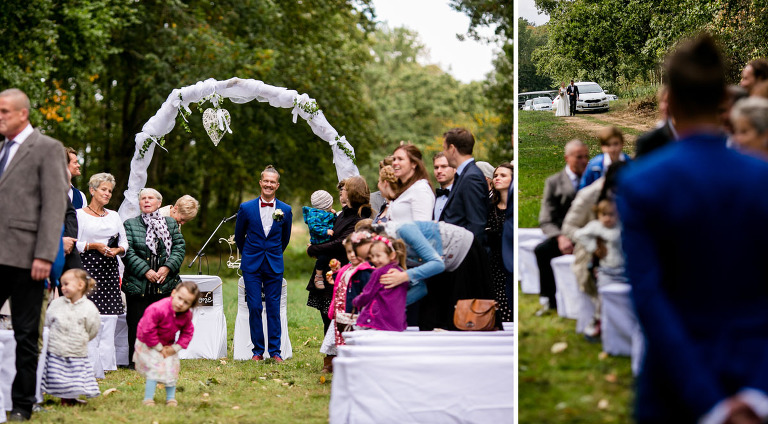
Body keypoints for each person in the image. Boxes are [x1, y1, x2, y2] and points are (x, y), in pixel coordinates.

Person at [618, 33, 768, 424]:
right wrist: (756, 393)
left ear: (671, 100)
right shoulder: (761, 178)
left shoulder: (641, 182)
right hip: (757, 372)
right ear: (724, 99)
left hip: (675, 387)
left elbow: (648, 297)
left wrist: (708, 402)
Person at [0, 88, 68, 421]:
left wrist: (44, 255)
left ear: (23, 113)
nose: (0, 116)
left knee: (26, 332)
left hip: (28, 258)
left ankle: (23, 405)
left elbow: (56, 203)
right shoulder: (1, 150)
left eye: (4, 111)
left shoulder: (47, 148)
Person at [366, 220, 492, 331]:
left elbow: (438, 264)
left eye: (374, 256)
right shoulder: (389, 256)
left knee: (465, 318)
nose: (374, 261)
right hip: (439, 264)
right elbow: (421, 288)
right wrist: (388, 305)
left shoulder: (405, 230)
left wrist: (404, 276)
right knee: (429, 321)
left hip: (463, 253)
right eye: (368, 258)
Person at [122, 188, 186, 367]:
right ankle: (137, 362)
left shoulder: (171, 224)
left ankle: (163, 361)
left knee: (164, 325)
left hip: (165, 284)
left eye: (151, 198)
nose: (146, 201)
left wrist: (166, 268)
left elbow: (179, 248)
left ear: (159, 203)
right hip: (138, 284)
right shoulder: (130, 224)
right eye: (143, 198)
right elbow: (128, 252)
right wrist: (145, 271)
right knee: (137, 325)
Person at [235, 165, 292, 362]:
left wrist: (273, 254)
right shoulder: (246, 208)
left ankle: (275, 351)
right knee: (254, 306)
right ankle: (258, 351)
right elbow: (239, 236)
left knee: (274, 308)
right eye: (265, 181)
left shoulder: (285, 210)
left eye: (272, 182)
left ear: (277, 185)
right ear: (260, 183)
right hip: (251, 264)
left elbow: (285, 238)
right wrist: (250, 253)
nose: (268, 184)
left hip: (274, 264)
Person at [306, 176, 371, 347]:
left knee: (338, 315)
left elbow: (339, 243)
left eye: (344, 189)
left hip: (341, 272)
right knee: (326, 315)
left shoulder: (359, 217)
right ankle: (330, 355)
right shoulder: (342, 214)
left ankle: (338, 354)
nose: (341, 191)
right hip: (328, 269)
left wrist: (312, 249)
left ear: (352, 193)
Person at [534, 139, 589, 316]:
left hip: (589, 234)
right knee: (542, 251)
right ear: (567, 158)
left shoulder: (593, 179)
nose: (583, 161)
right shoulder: (554, 182)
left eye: (586, 157)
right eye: (579, 157)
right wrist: (560, 238)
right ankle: (550, 300)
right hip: (563, 234)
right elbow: (546, 218)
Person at [41, 269, 101, 405]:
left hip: (76, 350)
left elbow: (93, 328)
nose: (63, 288)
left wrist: (82, 338)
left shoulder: (89, 308)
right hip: (57, 349)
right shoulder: (56, 304)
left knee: (74, 377)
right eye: (62, 285)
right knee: (58, 375)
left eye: (66, 284)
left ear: (80, 285)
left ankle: (70, 399)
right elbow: (47, 321)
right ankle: (61, 397)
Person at [134, 281, 199, 407]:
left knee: (171, 368)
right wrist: (159, 348)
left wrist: (175, 348)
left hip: (167, 345)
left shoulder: (186, 315)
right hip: (147, 342)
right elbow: (148, 330)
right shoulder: (157, 309)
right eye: (180, 298)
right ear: (173, 293)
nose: (181, 304)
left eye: (186, 303)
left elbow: (187, 332)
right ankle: (148, 399)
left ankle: (171, 398)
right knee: (154, 368)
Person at [573, 198, 625, 338]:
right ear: (598, 215)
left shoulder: (620, 226)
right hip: (606, 269)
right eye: (604, 215)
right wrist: (593, 247)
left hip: (623, 268)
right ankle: (598, 322)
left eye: (611, 215)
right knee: (602, 298)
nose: (608, 219)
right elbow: (579, 234)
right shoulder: (596, 227)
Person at [322, 232, 374, 372]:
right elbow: (341, 284)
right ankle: (342, 363)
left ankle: (356, 366)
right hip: (342, 313)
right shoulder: (347, 268)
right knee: (342, 338)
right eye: (349, 252)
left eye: (355, 252)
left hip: (356, 313)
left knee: (354, 340)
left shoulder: (365, 271)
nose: (352, 255)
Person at [440, 128, 489, 245]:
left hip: (465, 255)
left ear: (452, 149)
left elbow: (476, 224)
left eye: (444, 149)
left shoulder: (471, 178)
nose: (444, 153)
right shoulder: (464, 175)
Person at [352, 235, 409, 332]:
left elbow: (368, 293)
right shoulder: (400, 272)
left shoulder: (378, 273)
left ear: (391, 255)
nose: (375, 260)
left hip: (378, 319)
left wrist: (356, 301)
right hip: (396, 320)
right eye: (372, 256)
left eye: (378, 256)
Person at [486, 163, 513, 323]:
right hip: (494, 266)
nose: (497, 178)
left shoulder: (513, 207)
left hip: (509, 262)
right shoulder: (489, 207)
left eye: (503, 175)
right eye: (496, 175)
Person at [387, 144, 434, 223]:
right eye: (394, 159)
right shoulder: (404, 190)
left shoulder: (421, 189)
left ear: (414, 164)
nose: (395, 163)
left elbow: (422, 227)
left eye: (400, 159)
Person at [303, 189, 337, 289]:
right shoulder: (313, 214)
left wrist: (334, 215)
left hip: (326, 242)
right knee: (322, 258)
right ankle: (318, 277)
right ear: (325, 205)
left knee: (328, 258)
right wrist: (325, 231)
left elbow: (332, 222)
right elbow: (313, 227)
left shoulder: (325, 213)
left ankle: (330, 276)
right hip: (319, 242)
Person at [635, 86, 678, 159]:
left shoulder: (696, 135)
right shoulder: (648, 141)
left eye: (671, 101)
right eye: (664, 101)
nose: (666, 106)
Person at [432, 152, 455, 221]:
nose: (439, 171)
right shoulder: (431, 195)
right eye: (436, 167)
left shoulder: (462, 194)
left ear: (455, 169)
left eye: (444, 166)